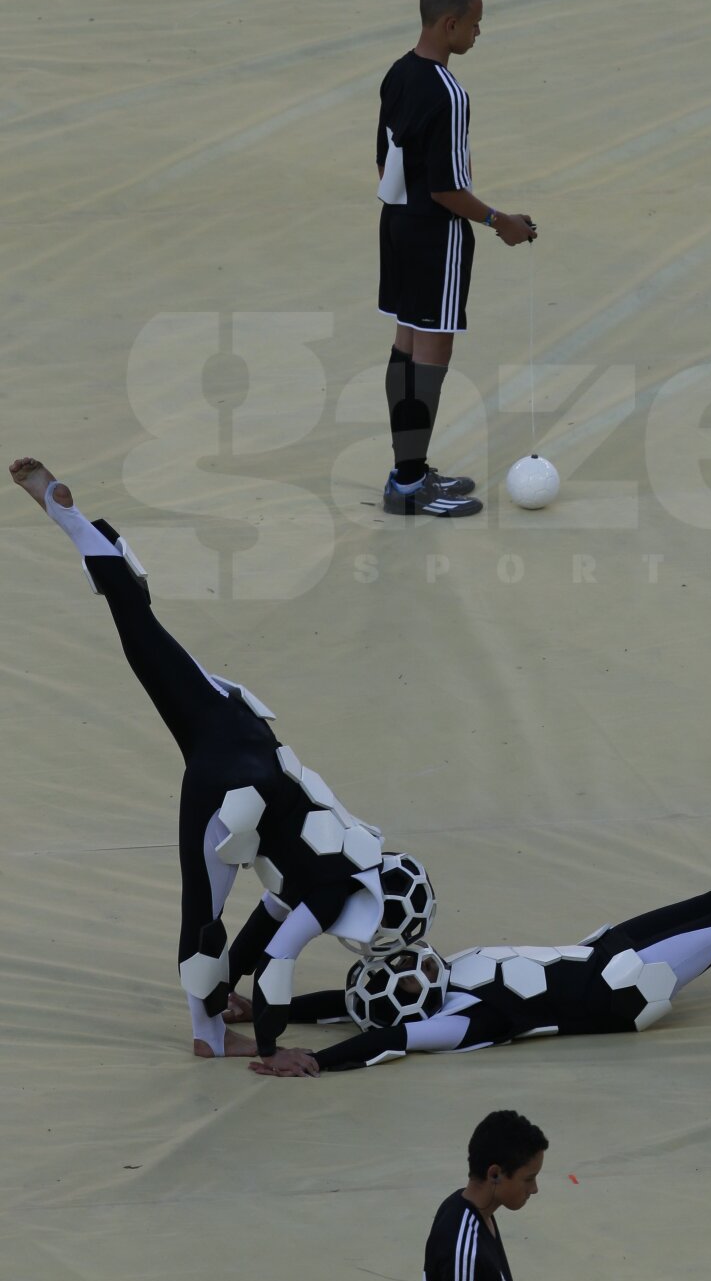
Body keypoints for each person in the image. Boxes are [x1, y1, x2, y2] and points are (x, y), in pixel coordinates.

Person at [8, 457, 415, 1067]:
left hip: (241, 727)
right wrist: (274, 1046)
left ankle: (68, 517)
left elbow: (263, 930)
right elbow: (275, 963)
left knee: (141, 624)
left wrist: (233, 988)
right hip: (236, 791)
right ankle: (210, 1035)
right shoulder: (331, 895)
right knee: (202, 913)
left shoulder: (351, 844)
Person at [241, 761, 711, 1076]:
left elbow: (348, 1005)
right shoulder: (459, 1023)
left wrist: (277, 1009)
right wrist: (321, 1060)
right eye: (403, 978)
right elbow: (385, 1037)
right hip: (626, 989)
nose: (407, 963)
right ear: (416, 1004)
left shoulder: (429, 982)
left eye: (395, 964)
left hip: (600, 953)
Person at [376, 0, 538, 518]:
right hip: (434, 235)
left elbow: (386, 162)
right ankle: (408, 484)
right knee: (432, 352)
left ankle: (409, 473)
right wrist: (501, 221)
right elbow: (447, 188)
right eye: (474, 24)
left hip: (396, 225)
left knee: (405, 342)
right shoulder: (448, 93)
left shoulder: (398, 74)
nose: (477, 32)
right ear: (450, 25)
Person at [419, 1110, 548, 1281]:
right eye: (529, 1178)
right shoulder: (464, 1249)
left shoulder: (471, 1210)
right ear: (495, 1174)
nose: (534, 1189)